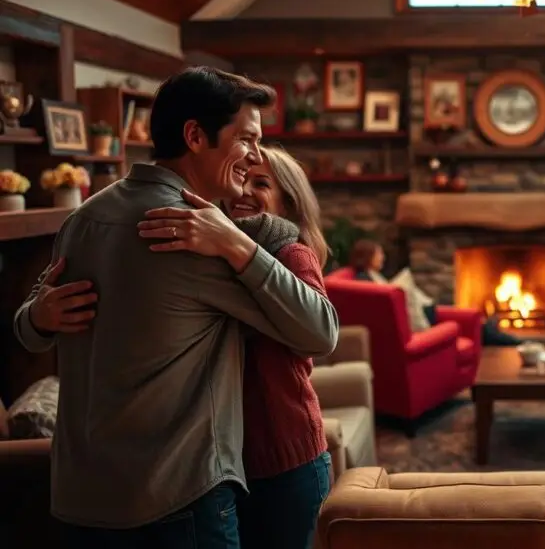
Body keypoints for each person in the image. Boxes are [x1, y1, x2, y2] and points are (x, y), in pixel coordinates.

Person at [13, 67, 339, 548]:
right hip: (175, 499)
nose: (253, 157)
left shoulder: (82, 220)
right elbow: (320, 332)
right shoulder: (191, 237)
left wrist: (36, 319)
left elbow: (29, 325)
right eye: (246, 139)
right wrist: (238, 245)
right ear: (194, 135)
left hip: (82, 500)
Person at [349, 239, 521, 347]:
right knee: (477, 325)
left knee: (474, 322)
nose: (383, 257)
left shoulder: (370, 276)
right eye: (379, 253)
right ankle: (514, 341)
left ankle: (498, 332)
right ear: (368, 256)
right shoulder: (366, 279)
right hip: (424, 317)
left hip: (426, 312)